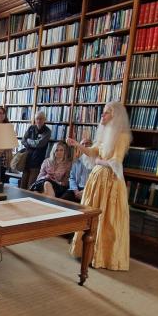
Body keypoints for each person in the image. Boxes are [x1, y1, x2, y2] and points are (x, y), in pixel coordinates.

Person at [67, 101, 132, 271]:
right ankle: (87, 251)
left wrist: (98, 161)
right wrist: (78, 145)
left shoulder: (122, 136)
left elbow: (116, 162)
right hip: (97, 181)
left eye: (106, 113)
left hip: (110, 183)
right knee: (91, 215)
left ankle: (104, 256)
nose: (102, 115)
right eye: (103, 112)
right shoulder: (105, 134)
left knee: (107, 218)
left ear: (115, 116)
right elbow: (92, 151)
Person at [19, 110, 51, 189]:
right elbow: (23, 140)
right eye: (37, 118)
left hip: (37, 161)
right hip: (27, 159)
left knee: (31, 185)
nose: (39, 121)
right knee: (22, 185)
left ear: (44, 119)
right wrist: (32, 143)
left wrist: (29, 142)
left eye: (41, 119)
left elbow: (40, 144)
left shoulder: (47, 131)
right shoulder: (31, 128)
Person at [61, 138, 94, 203]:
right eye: (82, 144)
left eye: (87, 143)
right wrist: (76, 191)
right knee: (62, 201)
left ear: (92, 146)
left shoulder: (95, 162)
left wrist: (85, 191)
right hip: (76, 189)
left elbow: (96, 181)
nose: (84, 146)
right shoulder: (76, 161)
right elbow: (72, 178)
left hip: (89, 190)